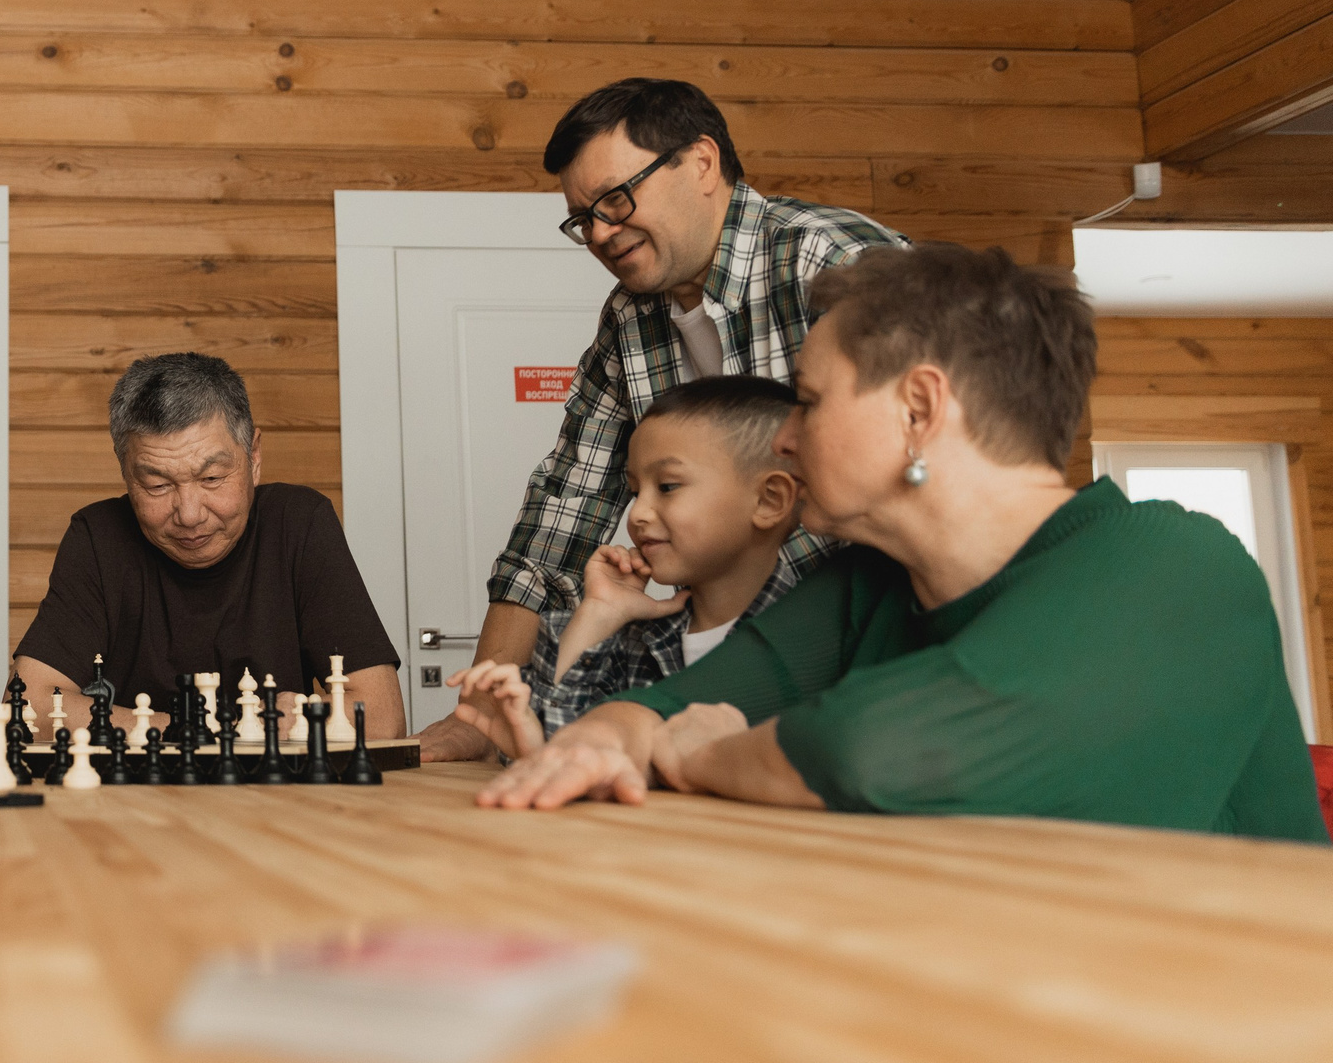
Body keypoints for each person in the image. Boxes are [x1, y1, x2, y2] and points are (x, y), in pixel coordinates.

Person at [475, 243, 1328, 844]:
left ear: (918, 410)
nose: (783, 438)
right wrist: (607, 738)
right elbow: (661, 710)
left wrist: (703, 755)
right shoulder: (869, 584)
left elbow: (875, 750)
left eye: (808, 401)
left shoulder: (1175, 567)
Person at [424, 78, 904, 762]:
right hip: (738, 668)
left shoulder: (831, 263)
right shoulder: (627, 319)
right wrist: (475, 715)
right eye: (581, 218)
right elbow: (560, 513)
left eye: (616, 200)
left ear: (702, 163)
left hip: (870, 656)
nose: (598, 233)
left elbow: (912, 484)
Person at [15, 352, 405, 739]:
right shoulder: (98, 536)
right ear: (125, 473)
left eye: (212, 478)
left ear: (253, 457)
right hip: (136, 796)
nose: (189, 514)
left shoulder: (299, 523)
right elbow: (29, 705)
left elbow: (383, 719)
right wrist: (225, 729)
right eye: (157, 485)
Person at [457, 376, 804, 751]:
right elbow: (551, 754)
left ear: (770, 501)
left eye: (668, 486)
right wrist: (598, 614)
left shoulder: (820, 641)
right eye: (636, 491)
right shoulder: (629, 643)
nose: (637, 514)